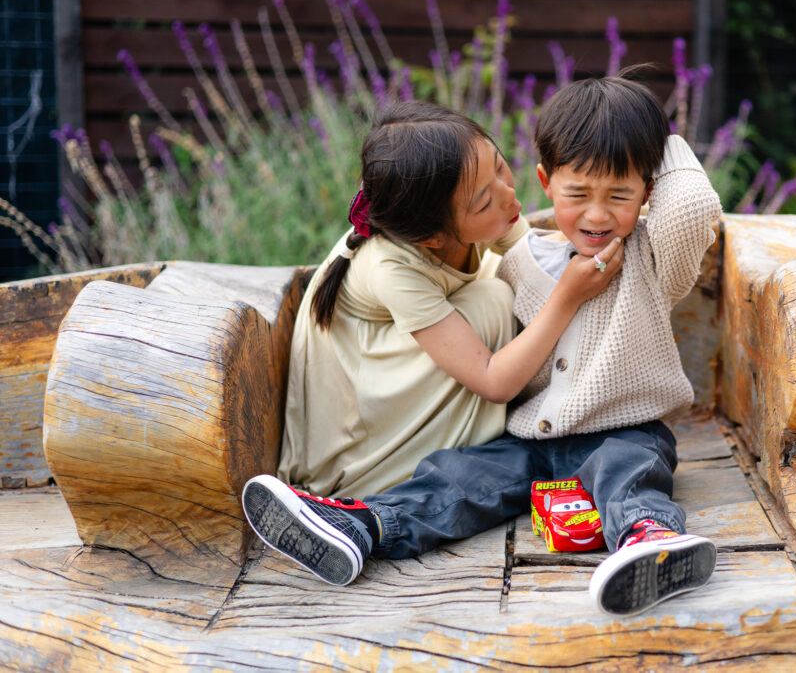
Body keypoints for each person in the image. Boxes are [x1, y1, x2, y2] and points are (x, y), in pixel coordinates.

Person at [243, 72, 721, 617]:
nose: (596, 214)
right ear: (549, 182)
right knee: (458, 479)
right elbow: (500, 371)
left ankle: (651, 542)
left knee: (629, 474)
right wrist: (567, 290)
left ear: (647, 191)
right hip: (533, 440)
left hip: (625, 428)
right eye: (578, 194)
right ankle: (364, 526)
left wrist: (653, 134)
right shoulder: (517, 262)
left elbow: (689, 208)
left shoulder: (648, 257)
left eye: (619, 195)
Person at [275, 101, 623, 499]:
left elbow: (529, 257)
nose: (508, 195)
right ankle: (420, 469)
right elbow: (493, 381)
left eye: (499, 165)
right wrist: (567, 297)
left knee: (510, 276)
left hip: (406, 361)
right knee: (494, 298)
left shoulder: (469, 206)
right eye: (484, 201)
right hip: (360, 413)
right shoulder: (393, 267)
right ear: (431, 237)